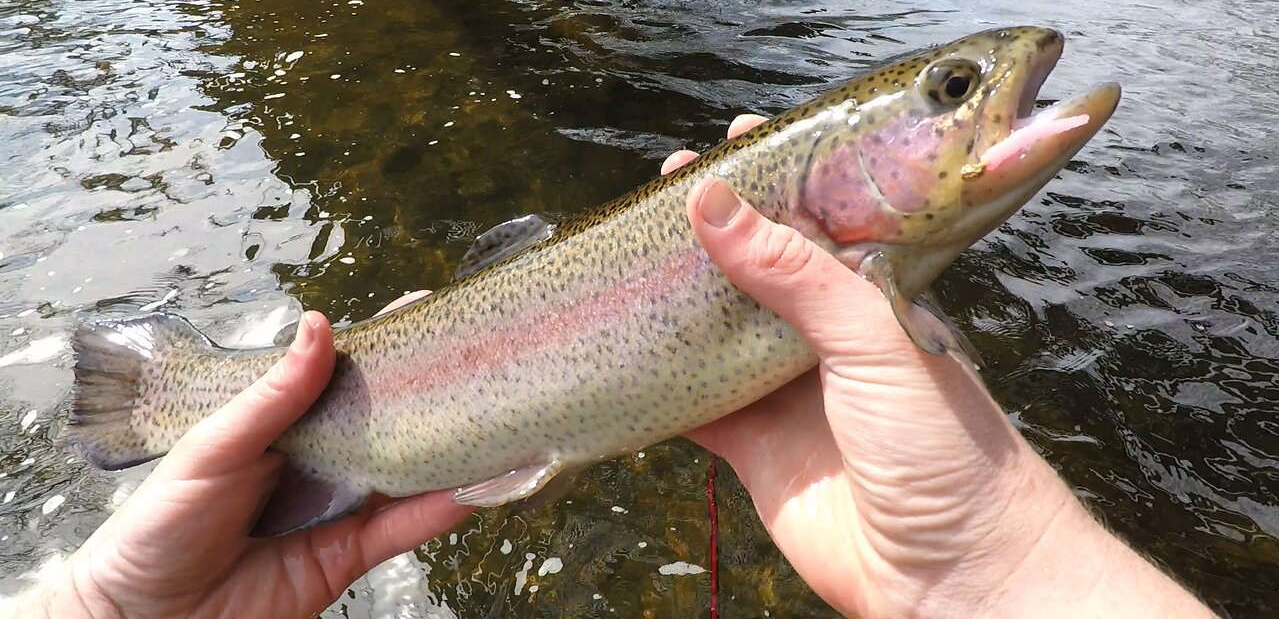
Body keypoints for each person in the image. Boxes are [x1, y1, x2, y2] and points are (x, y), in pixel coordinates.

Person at [6, 116, 1213, 619]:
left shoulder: (877, 292)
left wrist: (982, 564)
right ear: (831, 168)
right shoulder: (830, 260)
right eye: (950, 98)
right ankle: (166, 386)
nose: (983, 105)